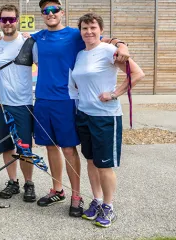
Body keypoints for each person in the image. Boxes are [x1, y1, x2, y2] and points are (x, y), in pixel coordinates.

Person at [31, 0, 130, 217]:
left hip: (66, 100)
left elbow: (106, 41)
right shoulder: (38, 37)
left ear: (62, 12)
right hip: (43, 100)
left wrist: (122, 44)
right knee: (50, 147)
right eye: (46, 11)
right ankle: (57, 189)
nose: (50, 14)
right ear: (42, 15)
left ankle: (77, 195)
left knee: (68, 148)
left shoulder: (76, 34)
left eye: (54, 9)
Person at [71, 13, 144, 227]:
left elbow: (138, 74)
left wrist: (114, 93)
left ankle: (109, 207)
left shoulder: (109, 51)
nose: (89, 31)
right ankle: (97, 200)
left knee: (104, 165)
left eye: (93, 27)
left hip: (105, 117)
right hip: (84, 114)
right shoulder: (81, 55)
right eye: (84, 28)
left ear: (101, 30)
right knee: (92, 161)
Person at [0, 4, 36, 202]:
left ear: (17, 20)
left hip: (22, 103)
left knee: (24, 146)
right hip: (0, 103)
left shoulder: (29, 42)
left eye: (11, 19)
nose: (8, 23)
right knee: (7, 147)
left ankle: (28, 183)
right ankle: (13, 182)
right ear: (0, 21)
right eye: (4, 19)